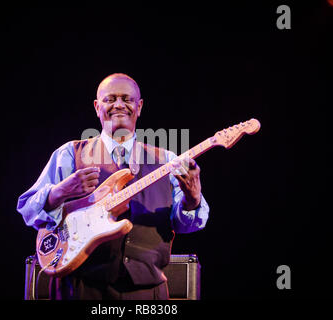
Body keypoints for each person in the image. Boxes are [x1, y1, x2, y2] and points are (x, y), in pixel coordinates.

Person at [17, 73, 209, 300]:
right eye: (110, 99)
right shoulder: (69, 154)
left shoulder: (167, 160)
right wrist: (60, 192)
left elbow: (188, 224)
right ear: (98, 107)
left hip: (148, 293)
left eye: (127, 99)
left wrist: (192, 199)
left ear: (139, 107)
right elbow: (28, 210)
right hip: (79, 289)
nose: (119, 104)